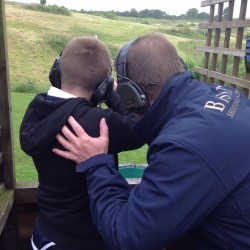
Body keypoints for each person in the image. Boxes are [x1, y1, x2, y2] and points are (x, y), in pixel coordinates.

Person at [53, 32, 250, 250]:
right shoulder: (224, 95)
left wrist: (97, 163)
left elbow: (127, 236)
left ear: (134, 95)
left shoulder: (185, 147)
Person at [19, 36, 145, 250]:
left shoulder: (37, 109)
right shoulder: (99, 123)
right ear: (102, 87)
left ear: (57, 71)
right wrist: (113, 96)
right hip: (83, 240)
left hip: (44, 235)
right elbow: (140, 129)